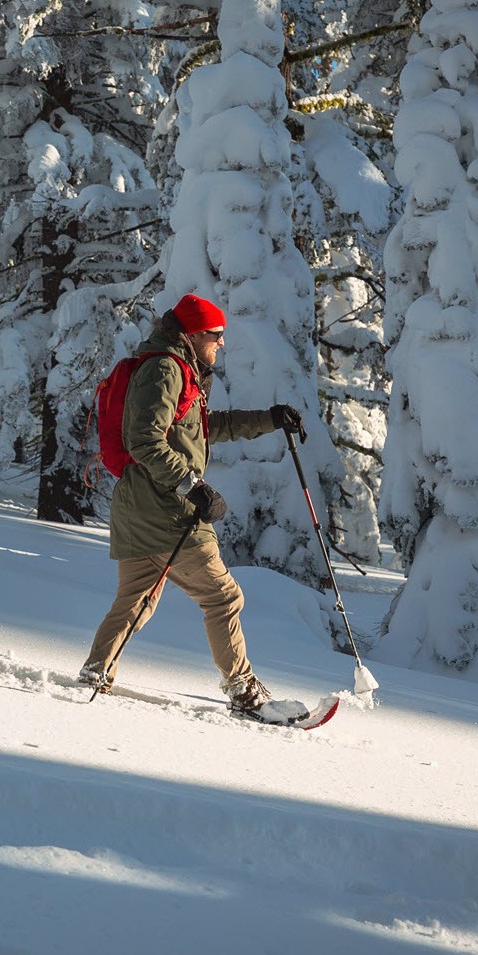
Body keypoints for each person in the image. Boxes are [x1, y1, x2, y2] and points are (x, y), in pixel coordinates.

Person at [78, 293, 305, 711]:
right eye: (216, 335)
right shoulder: (165, 369)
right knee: (223, 597)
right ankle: (243, 690)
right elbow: (143, 439)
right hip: (165, 508)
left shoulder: (178, 369)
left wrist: (269, 419)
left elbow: (200, 429)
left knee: (136, 600)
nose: (221, 343)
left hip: (138, 507)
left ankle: (96, 671)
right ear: (194, 333)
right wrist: (192, 486)